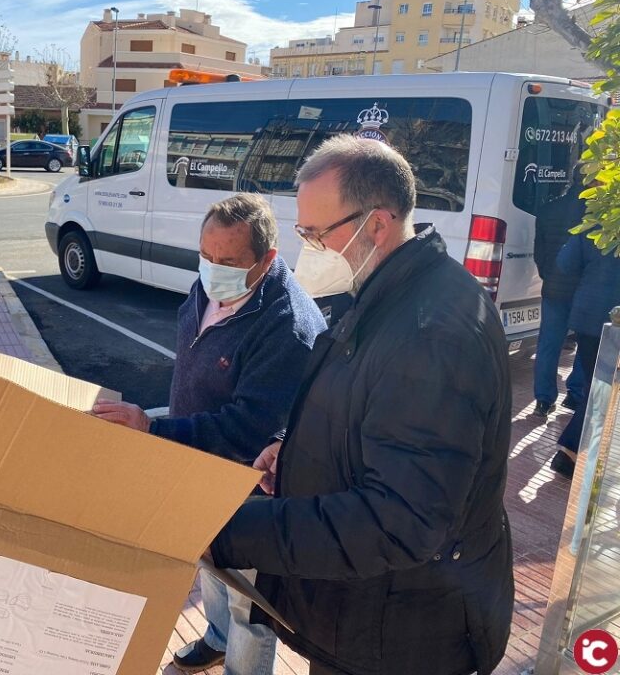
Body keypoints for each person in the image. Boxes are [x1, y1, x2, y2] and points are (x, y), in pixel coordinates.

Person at [209, 135, 514, 675]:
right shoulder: (388, 291)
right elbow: (370, 411)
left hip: (402, 636)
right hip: (367, 615)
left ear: (377, 224)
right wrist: (299, 452)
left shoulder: (431, 334)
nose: (308, 247)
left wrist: (225, 529)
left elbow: (400, 520)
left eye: (317, 233)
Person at [93, 193, 326, 675]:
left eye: (229, 262)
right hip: (195, 462)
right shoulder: (209, 284)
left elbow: (249, 429)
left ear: (267, 260)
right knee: (210, 564)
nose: (213, 270)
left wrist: (154, 428)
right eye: (206, 255)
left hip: (246, 482)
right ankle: (218, 639)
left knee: (248, 599)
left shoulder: (287, 325)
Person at [548, 230, 620, 479]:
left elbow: (565, 263)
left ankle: (573, 453)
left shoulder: (596, 222)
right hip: (612, 322)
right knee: (601, 389)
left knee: (597, 386)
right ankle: (569, 451)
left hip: (587, 316)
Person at [531, 172, 587, 417]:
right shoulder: (596, 214)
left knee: (548, 344)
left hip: (553, 288)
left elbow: (539, 252)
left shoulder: (548, 209)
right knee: (586, 343)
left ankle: (543, 400)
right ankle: (575, 395)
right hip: (583, 290)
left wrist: (548, 274)